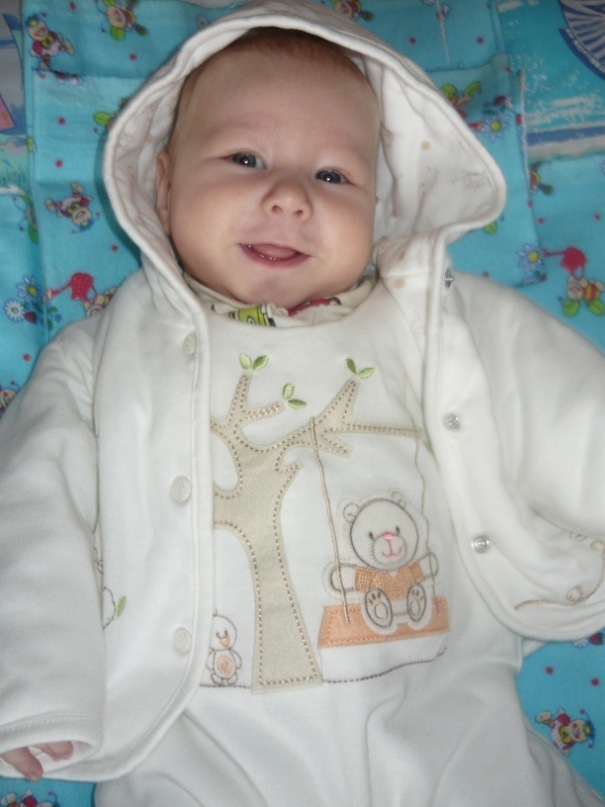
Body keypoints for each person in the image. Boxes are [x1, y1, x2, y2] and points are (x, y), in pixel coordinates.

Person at [0, 1, 604, 804]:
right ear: (164, 183)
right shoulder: (102, 356)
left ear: (380, 208)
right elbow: (32, 504)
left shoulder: (433, 321)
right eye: (245, 158)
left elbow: (568, 413)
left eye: (332, 176)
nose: (288, 196)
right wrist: (35, 681)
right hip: (202, 741)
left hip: (449, 722)